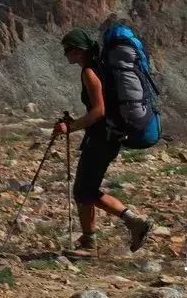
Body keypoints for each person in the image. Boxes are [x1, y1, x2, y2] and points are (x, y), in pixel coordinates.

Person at [53, 28, 153, 252]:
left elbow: (98, 111)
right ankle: (91, 238)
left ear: (78, 51)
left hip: (101, 140)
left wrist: (69, 127)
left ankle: (131, 224)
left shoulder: (89, 72)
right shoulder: (100, 67)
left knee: (84, 191)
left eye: (67, 50)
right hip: (107, 137)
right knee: (85, 190)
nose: (65, 54)